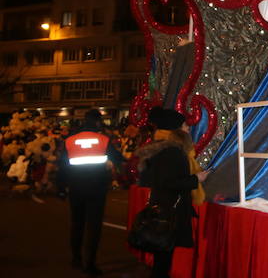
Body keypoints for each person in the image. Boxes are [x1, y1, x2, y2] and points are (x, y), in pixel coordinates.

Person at [136, 107, 208, 278]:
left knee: (162, 257)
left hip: (164, 207)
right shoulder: (172, 151)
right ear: (176, 129)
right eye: (185, 125)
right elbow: (168, 182)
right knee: (163, 258)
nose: (188, 129)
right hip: (169, 211)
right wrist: (196, 179)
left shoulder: (164, 148)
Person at [57, 108, 124, 276]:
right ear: (97, 122)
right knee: (93, 227)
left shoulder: (70, 140)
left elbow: (62, 166)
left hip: (76, 187)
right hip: (97, 188)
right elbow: (117, 158)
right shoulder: (103, 139)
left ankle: (76, 259)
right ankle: (90, 264)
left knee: (77, 224)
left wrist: (61, 188)